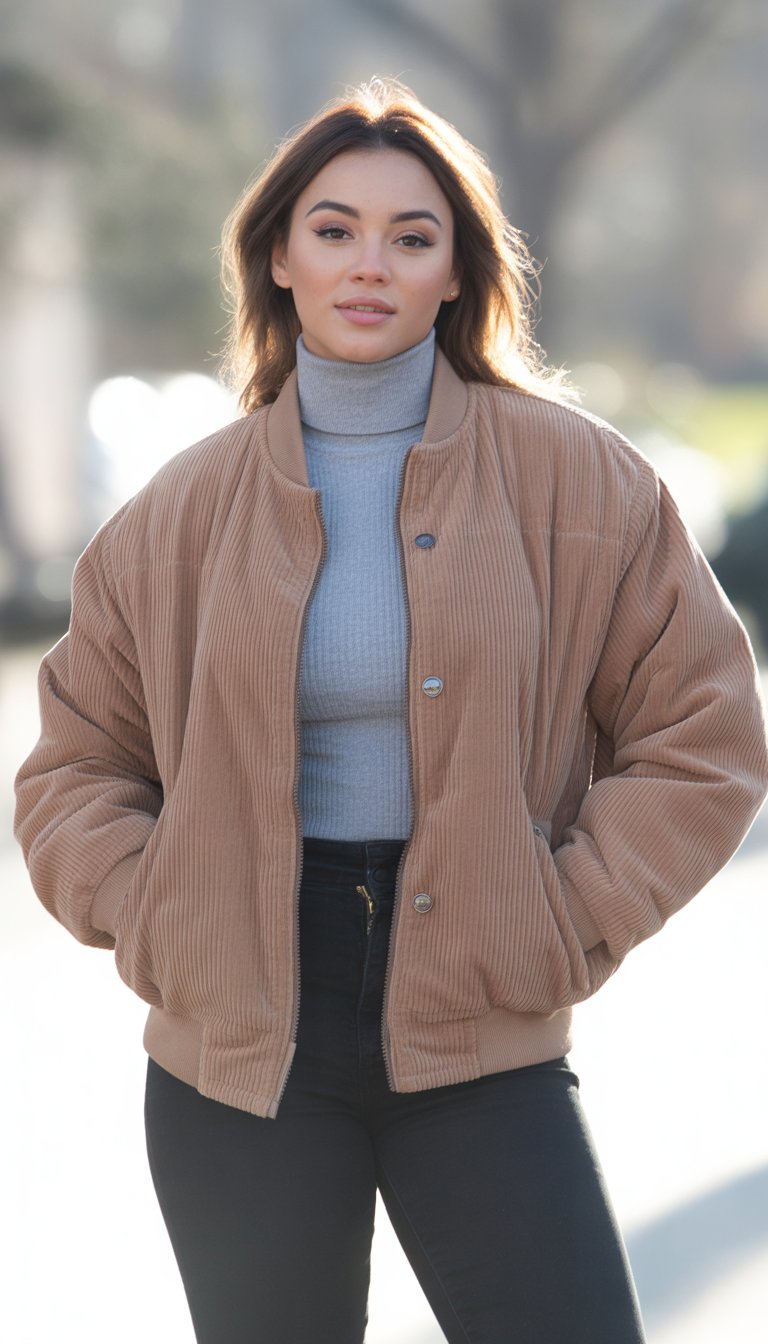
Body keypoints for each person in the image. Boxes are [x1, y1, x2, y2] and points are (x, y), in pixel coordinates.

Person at [14, 77, 768, 1344]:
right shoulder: (177, 513)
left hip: (483, 1027)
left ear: (459, 273)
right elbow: (73, 769)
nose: (371, 263)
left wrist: (561, 914)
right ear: (278, 256)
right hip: (238, 1055)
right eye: (335, 227)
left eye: (412, 236)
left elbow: (704, 734)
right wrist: (161, 914)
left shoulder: (582, 482)